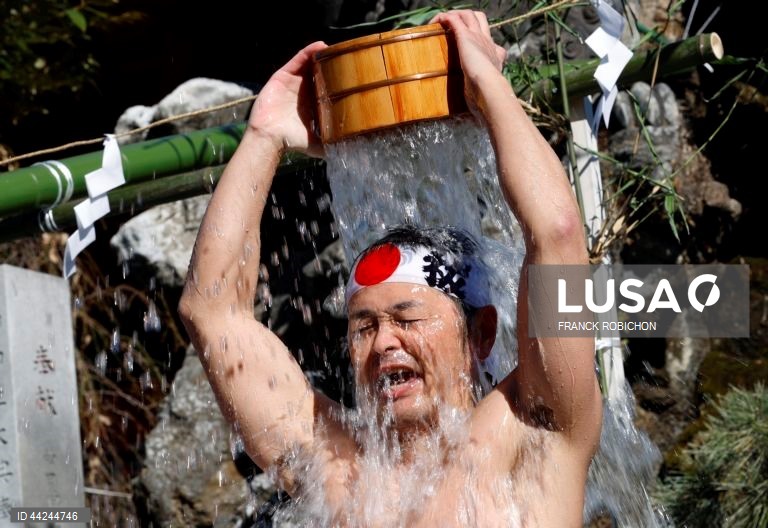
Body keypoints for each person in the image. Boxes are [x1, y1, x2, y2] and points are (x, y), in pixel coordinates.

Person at [179, 9, 602, 527]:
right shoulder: (336, 466)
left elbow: (557, 235)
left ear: (482, 333)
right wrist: (265, 135)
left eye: (407, 318)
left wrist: (490, 91)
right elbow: (212, 312)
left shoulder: (534, 429)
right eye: (365, 326)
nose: (383, 344)